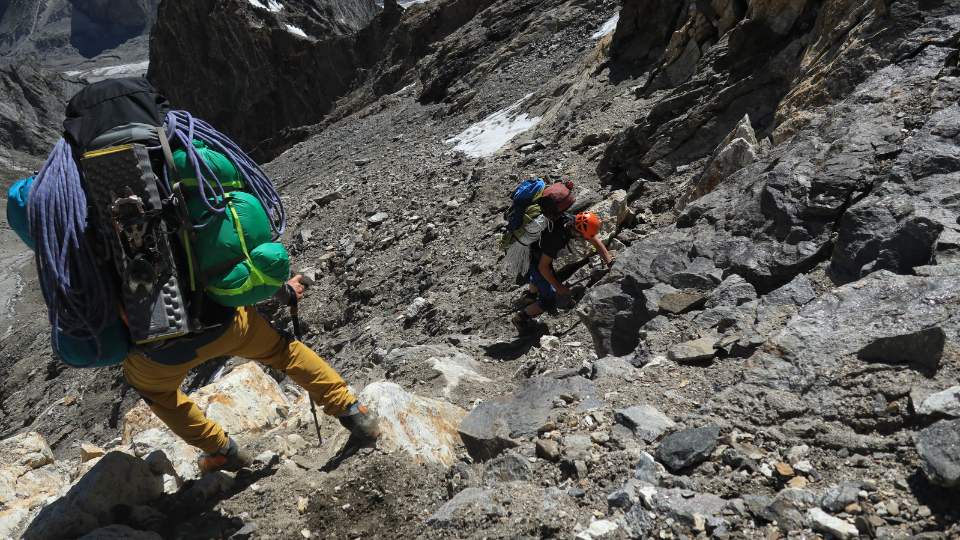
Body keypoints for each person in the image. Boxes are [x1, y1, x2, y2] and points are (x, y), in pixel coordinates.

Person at [8, 174, 380, 474]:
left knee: (161, 397)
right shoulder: (177, 187)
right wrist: (282, 290)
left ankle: (223, 451)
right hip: (227, 323)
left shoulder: (76, 237)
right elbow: (226, 254)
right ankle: (351, 411)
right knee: (284, 351)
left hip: (156, 355)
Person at [512, 211, 614, 333]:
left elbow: (595, 240)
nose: (584, 239)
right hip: (532, 258)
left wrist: (610, 262)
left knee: (542, 277)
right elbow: (543, 267)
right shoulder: (557, 238)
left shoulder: (573, 220)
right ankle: (521, 318)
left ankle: (531, 297)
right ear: (577, 232)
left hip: (537, 252)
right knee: (549, 300)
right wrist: (558, 287)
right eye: (583, 237)